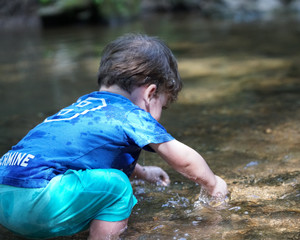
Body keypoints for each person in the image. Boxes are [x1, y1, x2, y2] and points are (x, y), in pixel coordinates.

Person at [0, 34, 227, 240]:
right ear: (150, 93)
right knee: (117, 187)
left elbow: (84, 155)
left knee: (98, 180)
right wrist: (213, 184)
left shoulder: (83, 106)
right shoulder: (130, 114)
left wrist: (143, 173)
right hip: (37, 201)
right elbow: (183, 158)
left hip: (5, 195)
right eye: (163, 106)